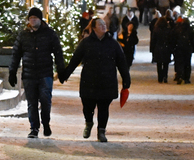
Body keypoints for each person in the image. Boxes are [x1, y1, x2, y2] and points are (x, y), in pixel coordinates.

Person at [59, 18, 130, 142]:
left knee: (103, 108)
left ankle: (101, 131)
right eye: (100, 24)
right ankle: (89, 122)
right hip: (89, 81)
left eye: (104, 24)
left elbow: (122, 62)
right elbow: (75, 59)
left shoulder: (113, 43)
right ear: (94, 28)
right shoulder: (85, 43)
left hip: (107, 81)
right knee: (87, 106)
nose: (103, 26)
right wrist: (65, 74)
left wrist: (126, 79)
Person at [9, 7, 65, 138]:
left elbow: (58, 52)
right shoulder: (23, 35)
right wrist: (12, 71)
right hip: (29, 74)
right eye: (31, 18)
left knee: (45, 100)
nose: (33, 20)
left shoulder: (50, 34)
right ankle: (34, 128)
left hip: (45, 73)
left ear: (40, 19)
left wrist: (61, 70)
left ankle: (46, 123)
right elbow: (16, 54)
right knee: (32, 103)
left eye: (35, 18)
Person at [172, 6, 194, 84]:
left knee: (179, 63)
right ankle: (186, 78)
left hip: (178, 48)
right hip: (187, 49)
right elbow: (193, 40)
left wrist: (174, 47)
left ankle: (179, 76)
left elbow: (173, 38)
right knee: (187, 63)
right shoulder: (190, 30)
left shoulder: (177, 29)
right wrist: (192, 47)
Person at [150, 10, 175, 83]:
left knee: (159, 64)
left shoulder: (156, 30)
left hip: (158, 48)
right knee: (166, 64)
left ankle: (160, 77)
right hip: (166, 49)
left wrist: (152, 49)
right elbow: (171, 40)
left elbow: (153, 40)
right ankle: (165, 76)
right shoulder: (168, 30)